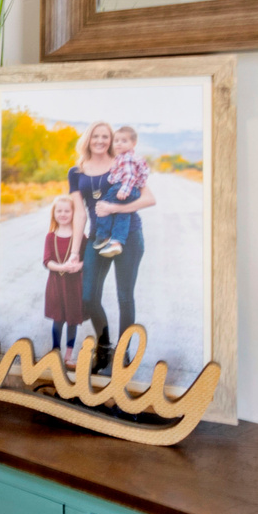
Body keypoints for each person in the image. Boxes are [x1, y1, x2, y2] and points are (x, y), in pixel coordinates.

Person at [68, 121, 157, 375]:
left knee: (124, 296)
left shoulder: (121, 162)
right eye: (96, 136)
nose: (100, 141)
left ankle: (124, 352)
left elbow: (149, 199)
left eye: (105, 136)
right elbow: (79, 215)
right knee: (88, 297)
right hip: (97, 238)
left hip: (129, 237)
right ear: (88, 138)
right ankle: (105, 345)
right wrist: (75, 252)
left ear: (111, 140)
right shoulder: (76, 172)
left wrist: (114, 208)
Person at [92, 126, 150, 258]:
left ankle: (103, 235)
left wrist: (124, 189)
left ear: (133, 143)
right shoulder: (127, 157)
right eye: (116, 140)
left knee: (104, 206)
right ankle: (116, 242)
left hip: (122, 187)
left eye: (124, 141)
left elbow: (129, 175)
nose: (118, 143)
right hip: (130, 189)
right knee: (122, 214)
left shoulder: (126, 157)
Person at [43, 193, 86, 365]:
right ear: (54, 214)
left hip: (74, 285)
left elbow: (87, 259)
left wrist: (79, 266)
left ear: (74, 214)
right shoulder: (50, 237)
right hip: (55, 284)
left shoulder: (80, 237)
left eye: (67, 211)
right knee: (58, 318)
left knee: (72, 319)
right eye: (59, 211)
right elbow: (47, 261)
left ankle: (68, 355)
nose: (62, 214)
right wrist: (62, 268)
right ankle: (55, 351)